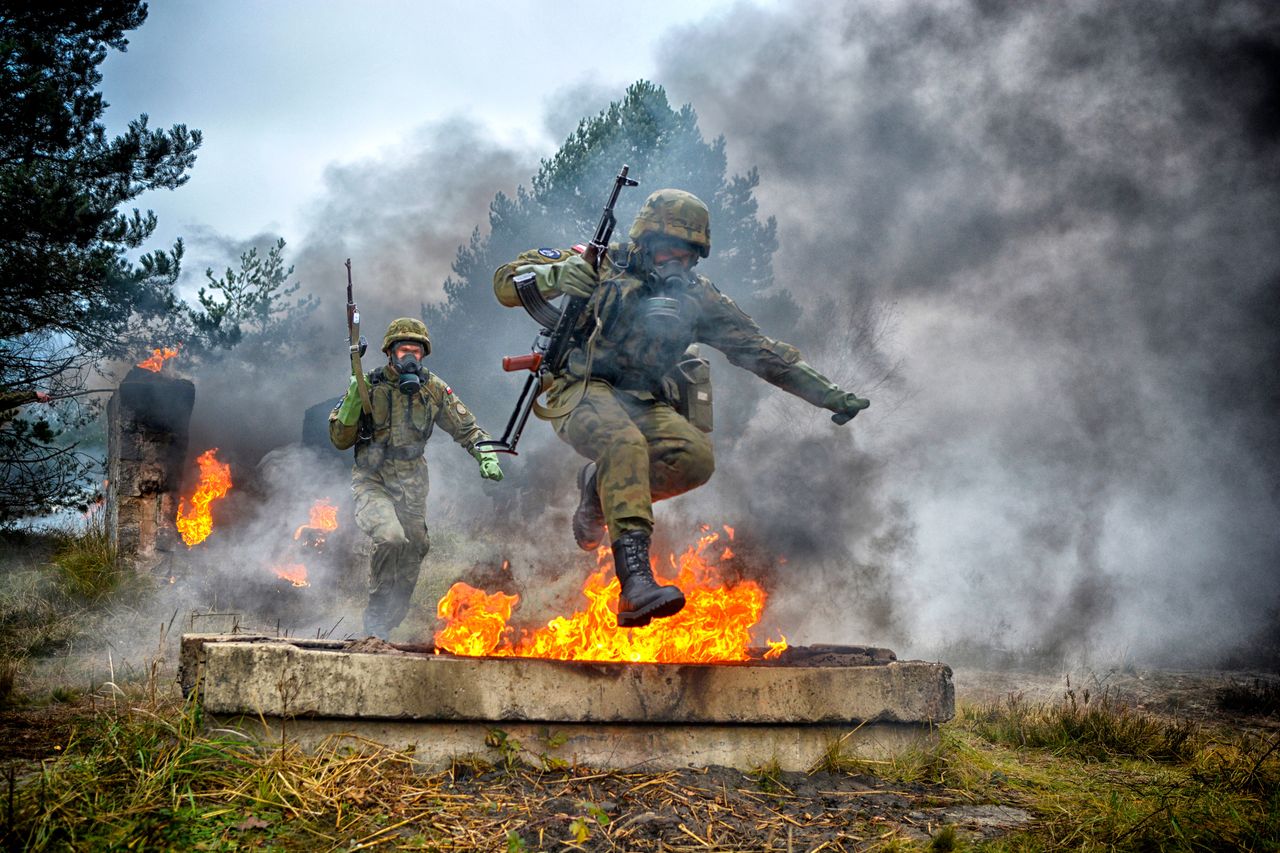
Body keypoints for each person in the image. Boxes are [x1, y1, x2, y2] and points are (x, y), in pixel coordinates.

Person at [493, 188, 869, 629]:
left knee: (693, 458)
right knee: (623, 442)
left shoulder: (699, 298)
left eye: (689, 253)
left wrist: (829, 394)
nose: (678, 261)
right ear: (645, 240)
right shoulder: (599, 263)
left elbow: (762, 351)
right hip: (578, 386)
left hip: (641, 398)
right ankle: (635, 586)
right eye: (669, 248)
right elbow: (505, 281)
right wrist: (556, 276)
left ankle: (597, 491)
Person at [329, 317, 504, 639]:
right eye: (403, 351)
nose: (409, 358)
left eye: (416, 352)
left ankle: (391, 616)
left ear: (423, 355)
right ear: (389, 353)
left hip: (412, 481)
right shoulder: (368, 386)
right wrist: (355, 398)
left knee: (416, 546)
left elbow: (467, 428)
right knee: (391, 538)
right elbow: (340, 440)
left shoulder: (433, 389)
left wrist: (485, 454)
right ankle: (376, 615)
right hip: (373, 478)